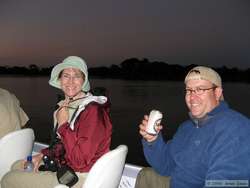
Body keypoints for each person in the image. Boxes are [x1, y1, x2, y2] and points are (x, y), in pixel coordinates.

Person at [1, 56, 112, 188]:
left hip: (82, 177)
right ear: (60, 80)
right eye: (66, 75)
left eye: (76, 76)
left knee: (9, 179)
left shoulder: (93, 110)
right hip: (66, 166)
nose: (70, 81)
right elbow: (63, 145)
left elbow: (80, 161)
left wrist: (63, 125)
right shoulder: (66, 106)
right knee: (17, 166)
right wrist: (43, 155)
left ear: (83, 80)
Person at [136, 66, 250, 188]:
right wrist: (152, 140)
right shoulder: (187, 127)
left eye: (200, 89)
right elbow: (166, 166)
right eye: (189, 90)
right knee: (146, 175)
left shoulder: (236, 129)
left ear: (217, 93)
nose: (192, 97)